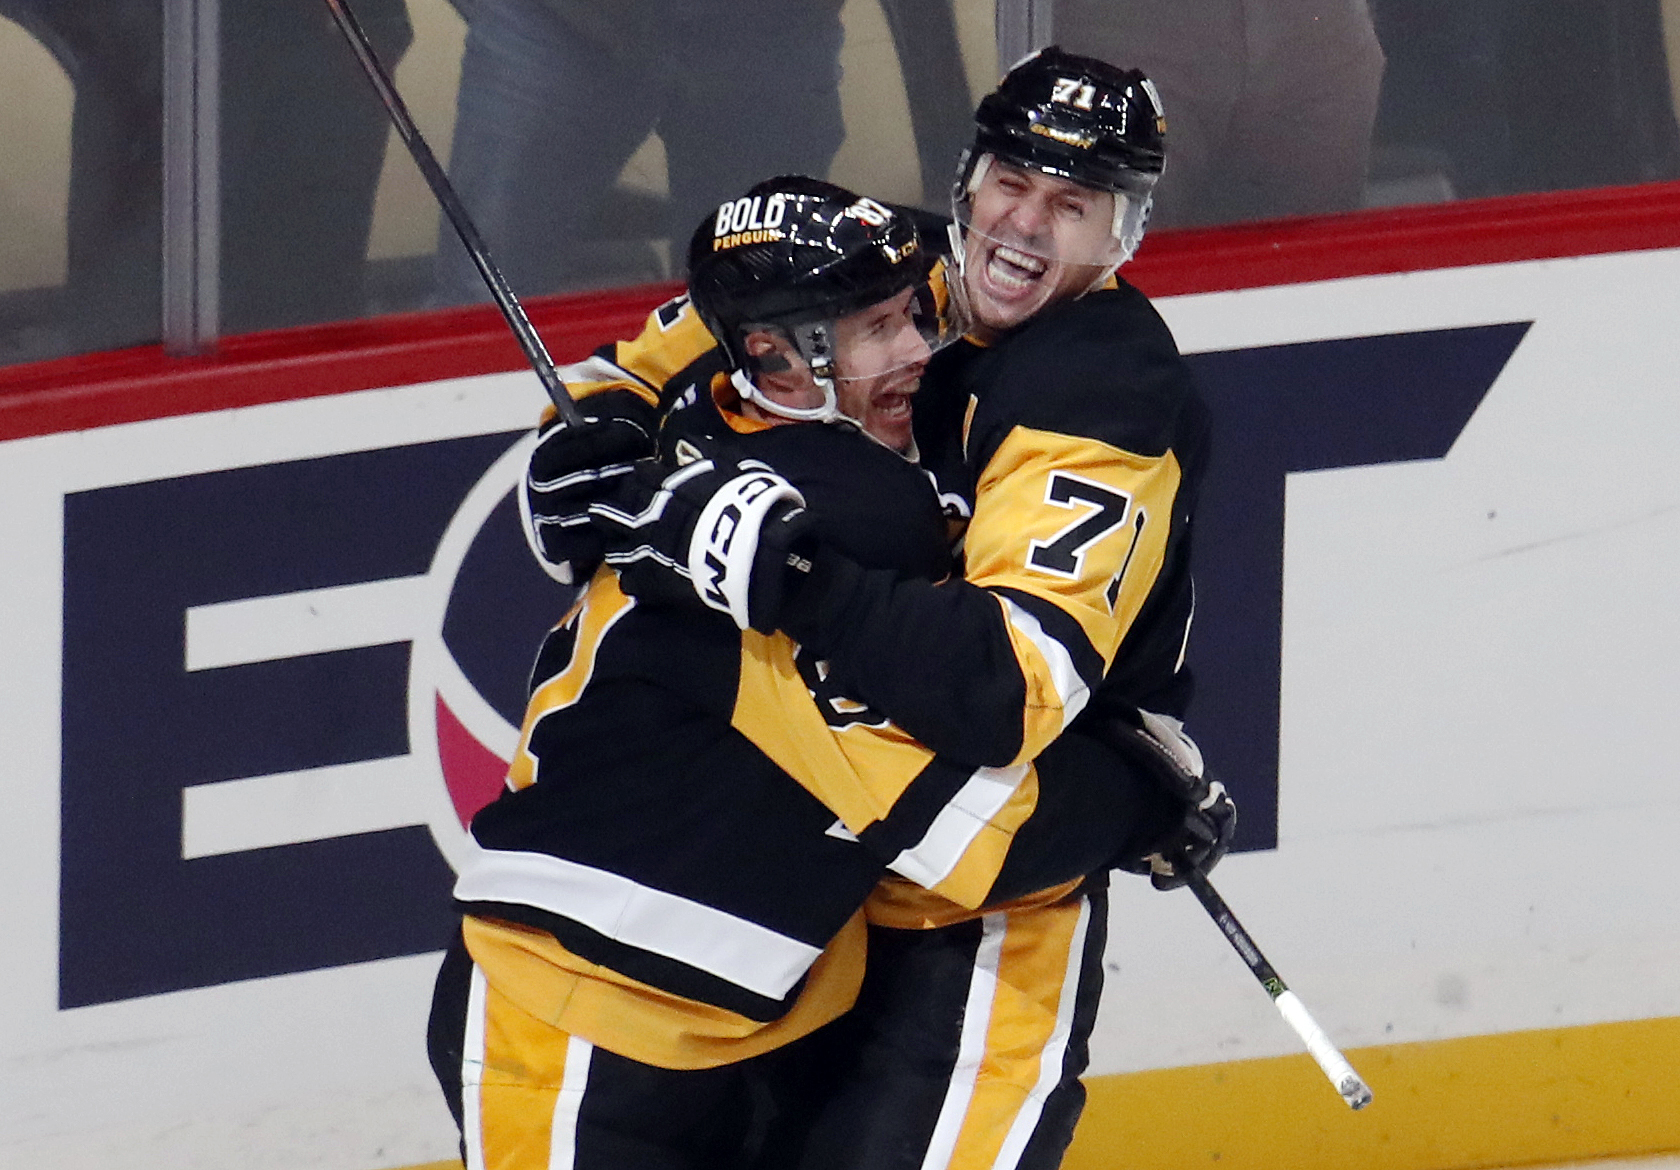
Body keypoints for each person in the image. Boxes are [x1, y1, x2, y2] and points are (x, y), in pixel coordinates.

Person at [430, 176, 1217, 1170]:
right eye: (876, 330)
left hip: (708, 1021)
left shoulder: (724, 435)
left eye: (911, 316)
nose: (916, 354)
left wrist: (608, 422)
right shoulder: (836, 522)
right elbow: (956, 830)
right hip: (576, 1022)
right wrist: (1144, 798)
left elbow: (675, 344)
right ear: (775, 357)